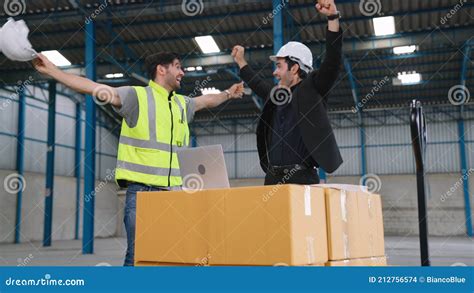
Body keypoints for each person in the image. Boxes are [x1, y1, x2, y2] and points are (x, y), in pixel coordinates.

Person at [33, 52, 244, 266]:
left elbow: (207, 101)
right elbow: (92, 87)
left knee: (168, 258)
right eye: (178, 66)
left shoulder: (182, 104)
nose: (182, 72)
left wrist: (228, 93)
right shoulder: (136, 97)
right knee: (138, 257)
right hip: (143, 194)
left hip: (173, 194)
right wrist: (53, 71)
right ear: (161, 70)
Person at [231, 0, 343, 185]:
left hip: (303, 179)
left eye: (279, 66)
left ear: (294, 68)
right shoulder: (277, 95)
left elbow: (332, 61)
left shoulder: (314, 89)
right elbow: (257, 84)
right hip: (272, 178)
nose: (274, 72)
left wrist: (332, 17)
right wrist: (241, 61)